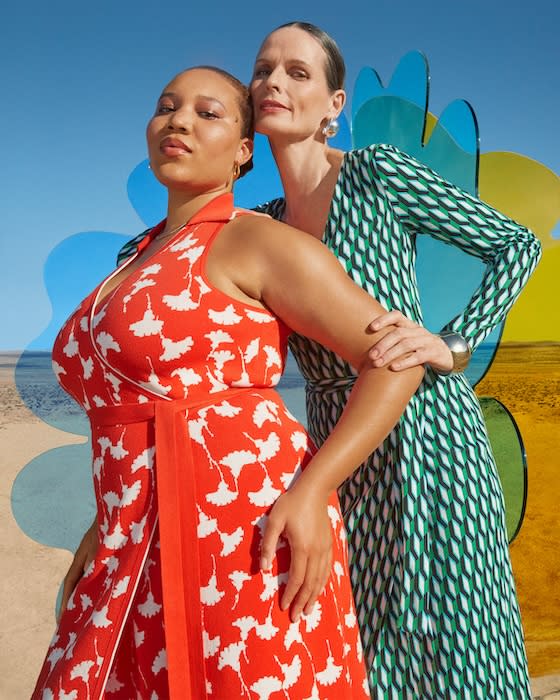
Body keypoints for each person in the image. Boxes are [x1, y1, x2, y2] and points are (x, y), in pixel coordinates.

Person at [119, 23, 543, 698]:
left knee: (450, 629)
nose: (273, 84)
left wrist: (455, 342)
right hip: (330, 439)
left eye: (297, 73)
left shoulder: (377, 172)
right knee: (359, 631)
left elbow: (517, 244)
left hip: (428, 431)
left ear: (334, 105)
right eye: (262, 72)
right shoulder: (263, 220)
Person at [32, 66, 424, 699]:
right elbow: (133, 409)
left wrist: (314, 490)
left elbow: (393, 359)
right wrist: (103, 523)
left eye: (208, 112)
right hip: (131, 528)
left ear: (244, 151)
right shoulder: (133, 257)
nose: (179, 120)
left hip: (245, 531)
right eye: (166, 107)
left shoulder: (256, 241)